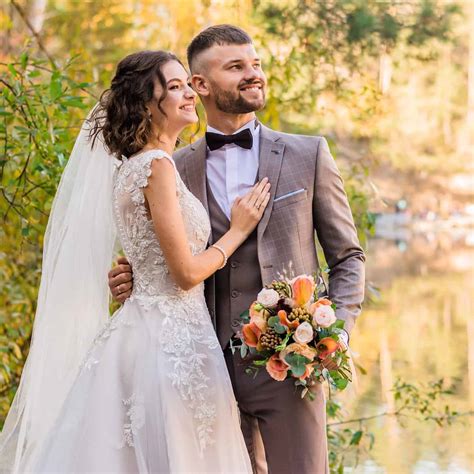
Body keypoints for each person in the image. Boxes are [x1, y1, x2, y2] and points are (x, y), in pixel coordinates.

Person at [0, 50, 273, 472]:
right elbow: (183, 275)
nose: (189, 95)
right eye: (176, 87)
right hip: (171, 341)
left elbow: (148, 261)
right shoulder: (158, 167)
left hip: (143, 332)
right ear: (149, 102)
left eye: (189, 84)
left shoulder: (131, 169)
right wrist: (237, 231)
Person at [109, 25, 366, 474]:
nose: (253, 74)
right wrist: (133, 275)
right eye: (236, 67)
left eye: (256, 64)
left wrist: (334, 334)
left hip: (289, 367)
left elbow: (348, 257)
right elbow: (165, 249)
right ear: (200, 85)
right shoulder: (171, 163)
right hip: (198, 367)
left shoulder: (309, 155)